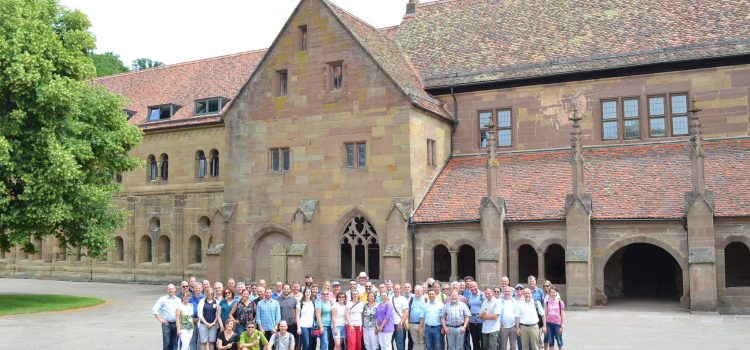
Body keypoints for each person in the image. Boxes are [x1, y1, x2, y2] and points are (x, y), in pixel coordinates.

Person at [153, 283, 181, 350]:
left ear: (175, 290)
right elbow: (154, 309)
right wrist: (160, 319)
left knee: (175, 343)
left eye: (172, 289)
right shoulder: (163, 299)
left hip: (176, 323)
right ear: (167, 290)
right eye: (169, 289)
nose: (170, 290)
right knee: (167, 342)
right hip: (166, 324)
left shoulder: (178, 300)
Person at [465, 281, 485, 350]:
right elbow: (467, 309)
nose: (473, 288)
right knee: (475, 341)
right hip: (472, 321)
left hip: (482, 321)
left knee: (483, 340)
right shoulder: (469, 297)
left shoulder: (483, 295)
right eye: (471, 287)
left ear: (477, 286)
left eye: (474, 286)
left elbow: (487, 308)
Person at [391, 284, 410, 350]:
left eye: (398, 289)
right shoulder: (390, 298)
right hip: (391, 324)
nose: (396, 290)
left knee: (399, 342)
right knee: (389, 341)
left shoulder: (403, 299)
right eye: (395, 288)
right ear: (393, 289)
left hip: (399, 324)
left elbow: (406, 312)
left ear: (400, 290)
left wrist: (401, 323)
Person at [407, 285, 426, 350]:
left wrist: (423, 325)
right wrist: (408, 323)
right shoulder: (411, 299)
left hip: (422, 325)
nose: (417, 292)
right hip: (412, 324)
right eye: (415, 291)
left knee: (422, 342)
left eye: (418, 291)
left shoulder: (425, 299)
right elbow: (408, 311)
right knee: (415, 342)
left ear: (422, 291)